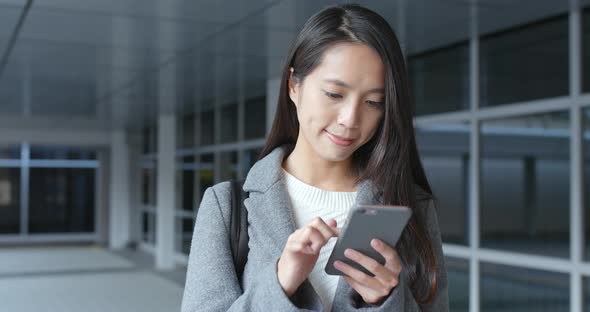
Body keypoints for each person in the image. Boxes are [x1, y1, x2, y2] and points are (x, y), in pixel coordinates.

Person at [181, 4, 448, 311]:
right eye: (334, 94)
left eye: (374, 102)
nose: (350, 119)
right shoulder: (226, 206)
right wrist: (280, 284)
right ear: (294, 85)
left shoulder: (412, 206)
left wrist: (386, 302)